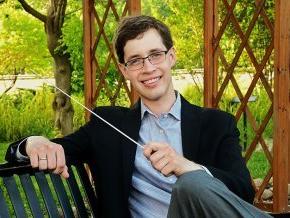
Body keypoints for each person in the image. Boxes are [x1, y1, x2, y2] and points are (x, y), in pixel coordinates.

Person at [6, 15, 271, 218]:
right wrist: (32, 142)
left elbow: (243, 193)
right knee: (192, 185)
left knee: (191, 184)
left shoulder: (216, 123)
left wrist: (187, 167)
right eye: (135, 60)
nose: (148, 68)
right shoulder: (108, 125)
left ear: (172, 57)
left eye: (155, 55)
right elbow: (50, 149)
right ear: (124, 70)